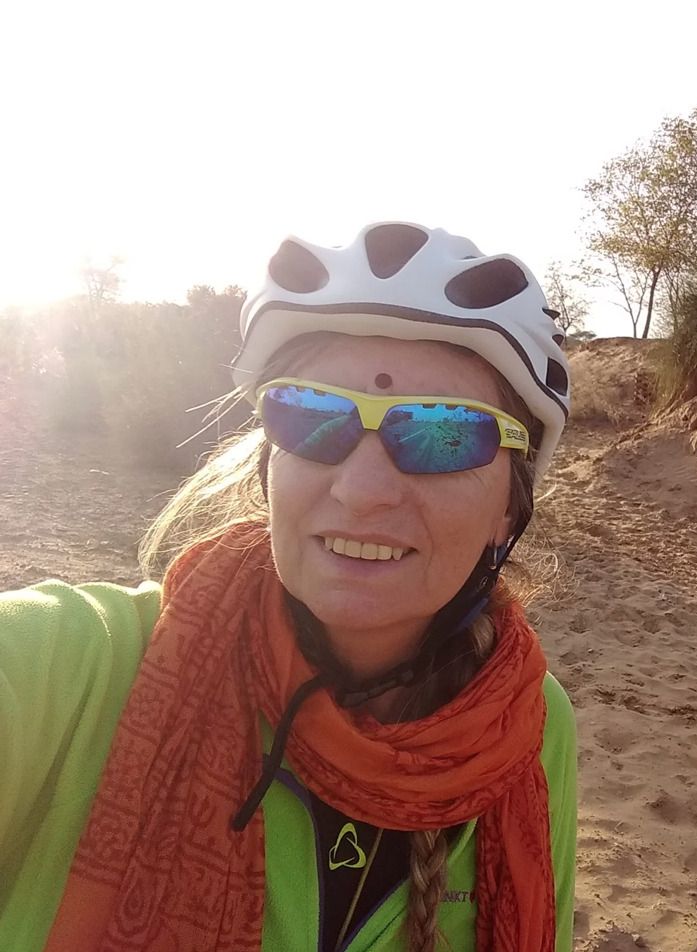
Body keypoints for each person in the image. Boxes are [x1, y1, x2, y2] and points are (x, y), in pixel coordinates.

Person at [0, 221, 577, 952]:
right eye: (313, 417)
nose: (363, 491)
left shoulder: (528, 725)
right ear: (270, 463)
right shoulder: (82, 670)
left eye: (444, 433)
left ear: (508, 507)